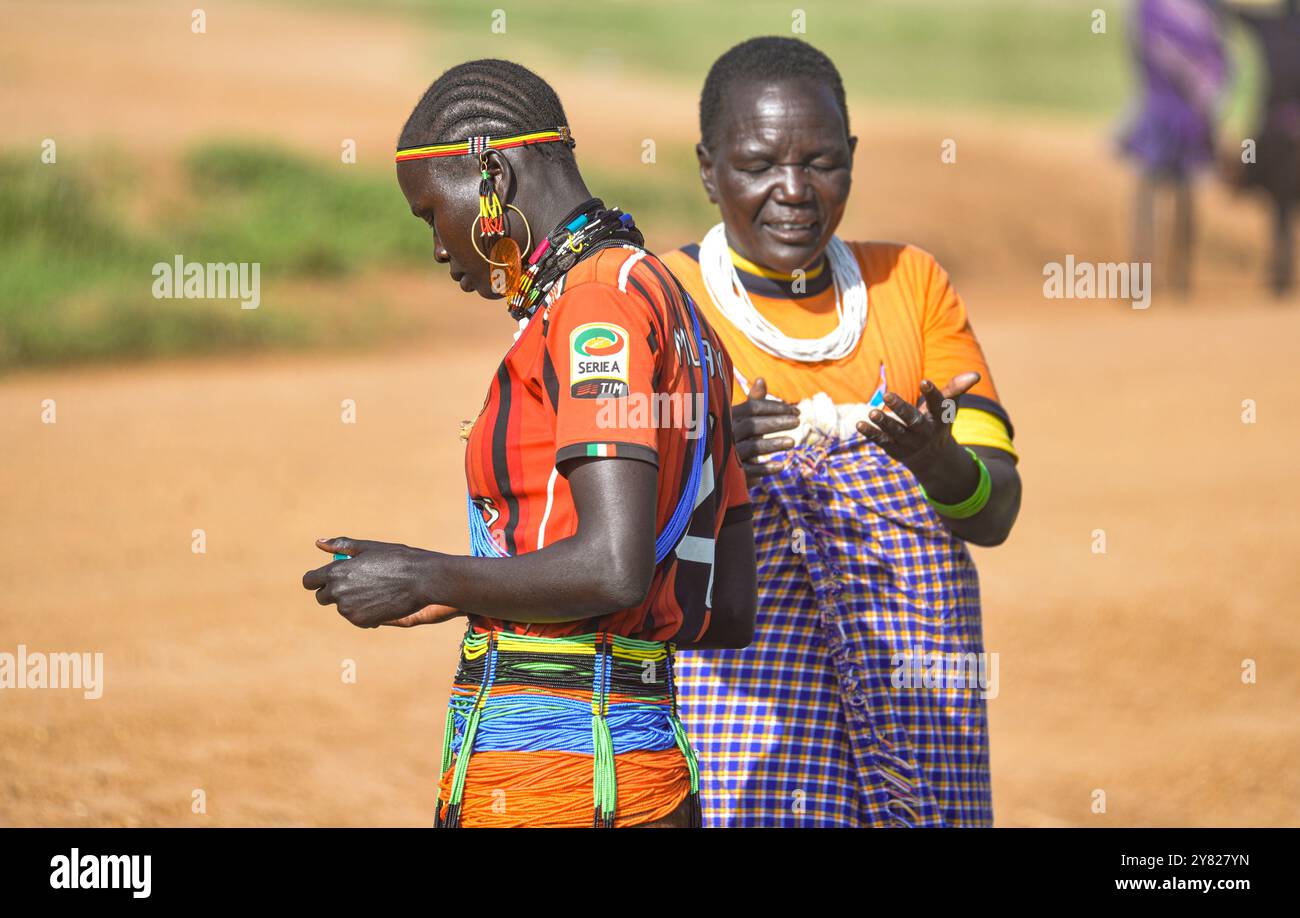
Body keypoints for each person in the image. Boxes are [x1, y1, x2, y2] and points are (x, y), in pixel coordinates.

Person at [301, 59, 756, 828]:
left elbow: (614, 567)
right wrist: (462, 588)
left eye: (429, 214)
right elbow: (730, 605)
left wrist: (423, 573)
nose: (439, 249)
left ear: (493, 177)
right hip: (642, 774)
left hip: (561, 786)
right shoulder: (679, 311)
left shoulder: (595, 310)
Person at [661, 36, 1022, 827]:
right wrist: (716, 458)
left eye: (822, 162)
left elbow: (994, 514)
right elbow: (608, 517)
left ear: (853, 157)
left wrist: (938, 461)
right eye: (758, 165)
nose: (794, 191)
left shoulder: (910, 284)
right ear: (707, 166)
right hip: (744, 712)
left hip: (920, 695)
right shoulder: (666, 300)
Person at [1120, 0, 1228, 295]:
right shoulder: (1155, 7)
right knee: (1153, 188)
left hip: (1187, 110)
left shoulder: (1205, 8)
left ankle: (1178, 277)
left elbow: (1219, 56)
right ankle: (1144, 275)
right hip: (1163, 106)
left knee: (1183, 191)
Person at [1228, 0, 1300, 295]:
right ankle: (1281, 269)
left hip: (1277, 135)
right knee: (1281, 202)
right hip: (1278, 136)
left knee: (1281, 204)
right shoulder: (1271, 26)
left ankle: (1281, 270)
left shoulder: (1271, 27)